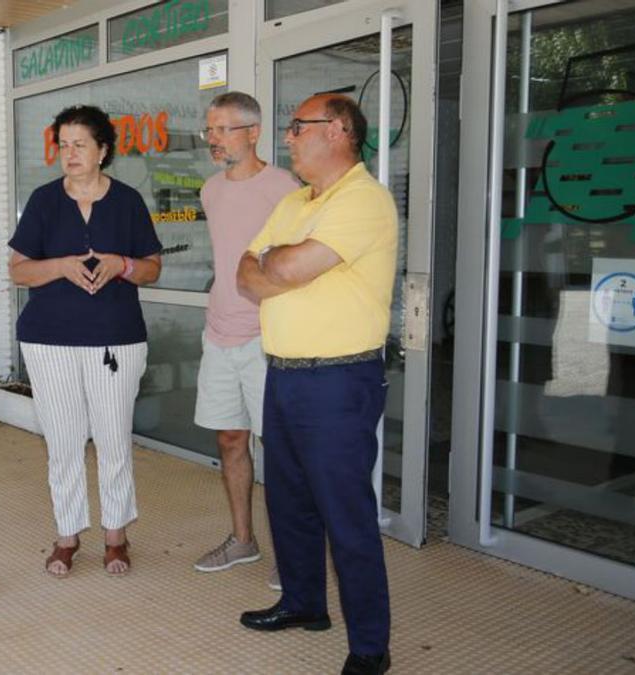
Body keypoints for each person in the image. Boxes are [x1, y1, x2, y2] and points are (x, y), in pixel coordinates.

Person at [237, 94, 397, 675]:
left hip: (338, 381)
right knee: (289, 504)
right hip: (283, 373)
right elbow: (246, 274)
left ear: (335, 130)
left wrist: (275, 262)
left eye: (296, 127)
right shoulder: (294, 201)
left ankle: (370, 647)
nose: (287, 137)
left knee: (345, 516)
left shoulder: (364, 200)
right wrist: (278, 262)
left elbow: (280, 269)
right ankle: (305, 604)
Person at [9, 105, 162, 577]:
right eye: (63, 144)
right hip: (49, 341)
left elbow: (153, 268)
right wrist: (60, 265)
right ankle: (67, 534)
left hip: (116, 341)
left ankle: (116, 535)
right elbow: (16, 270)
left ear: (103, 151)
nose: (69, 153)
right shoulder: (43, 201)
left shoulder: (129, 202)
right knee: (64, 442)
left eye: (80, 144)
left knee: (114, 439)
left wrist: (123, 265)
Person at [192, 92, 300, 588]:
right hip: (219, 335)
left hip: (268, 338)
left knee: (279, 449)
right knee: (231, 439)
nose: (213, 139)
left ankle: (292, 553)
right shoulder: (210, 191)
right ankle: (242, 540)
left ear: (253, 132)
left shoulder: (284, 187)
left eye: (223, 129)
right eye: (209, 130)